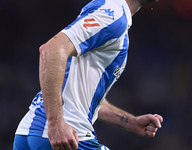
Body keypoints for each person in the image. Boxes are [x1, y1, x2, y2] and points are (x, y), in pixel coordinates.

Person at [13, 0, 163, 149]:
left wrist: (131, 122)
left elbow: (81, 94)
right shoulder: (113, 14)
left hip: (30, 133)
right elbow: (52, 49)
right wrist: (56, 123)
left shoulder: (112, 14)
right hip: (63, 134)